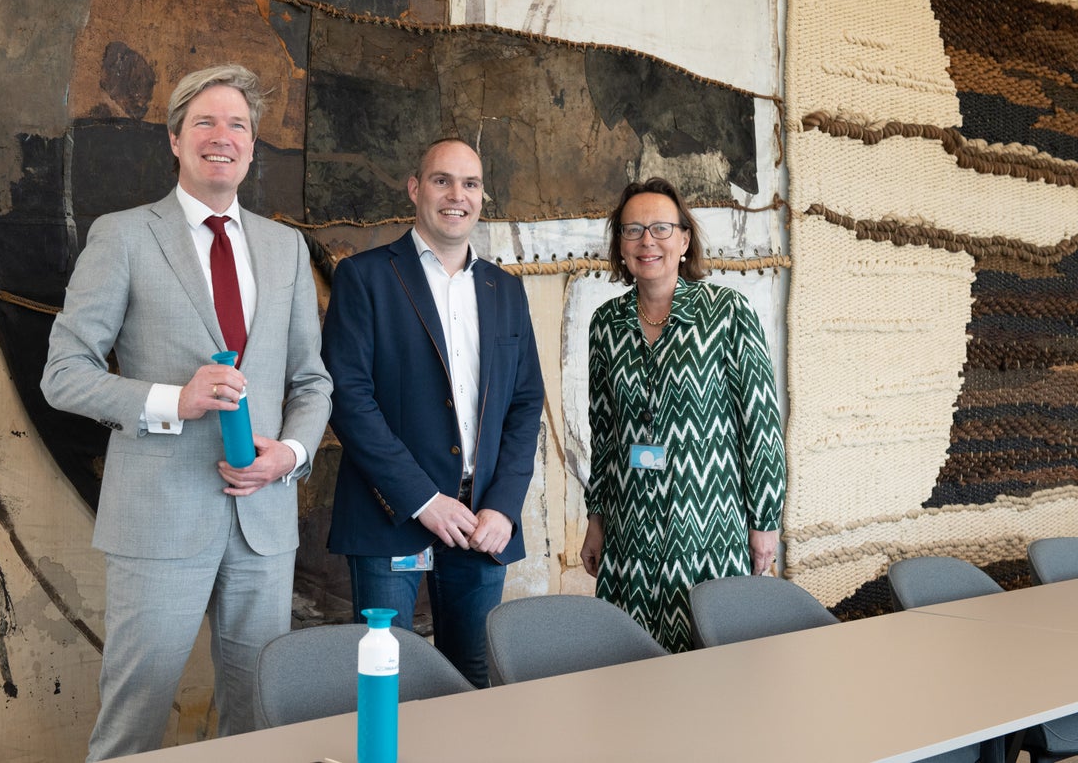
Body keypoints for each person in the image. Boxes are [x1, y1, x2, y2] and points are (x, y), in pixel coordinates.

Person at [41, 63, 332, 760]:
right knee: (134, 726)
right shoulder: (123, 236)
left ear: (252, 146)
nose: (221, 136)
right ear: (175, 139)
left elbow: (311, 381)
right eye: (204, 121)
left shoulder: (286, 248)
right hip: (158, 521)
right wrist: (176, 399)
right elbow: (64, 375)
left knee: (258, 724)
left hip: (263, 524)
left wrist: (290, 454)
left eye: (237, 124)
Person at [322, 138, 544, 687]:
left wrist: (504, 506)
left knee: (472, 680)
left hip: (481, 521)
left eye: (470, 184)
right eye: (442, 180)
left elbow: (524, 404)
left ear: (482, 197)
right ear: (414, 189)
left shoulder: (506, 290)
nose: (456, 195)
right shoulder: (365, 277)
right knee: (387, 681)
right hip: (390, 516)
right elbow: (348, 398)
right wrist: (423, 499)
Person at [580, 177, 786, 653]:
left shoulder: (727, 313)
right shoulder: (606, 324)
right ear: (620, 245)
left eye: (661, 228)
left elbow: (761, 426)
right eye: (632, 230)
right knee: (633, 666)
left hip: (709, 526)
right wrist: (596, 518)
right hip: (630, 531)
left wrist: (765, 521)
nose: (647, 241)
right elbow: (604, 433)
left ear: (685, 239)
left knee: (713, 666)